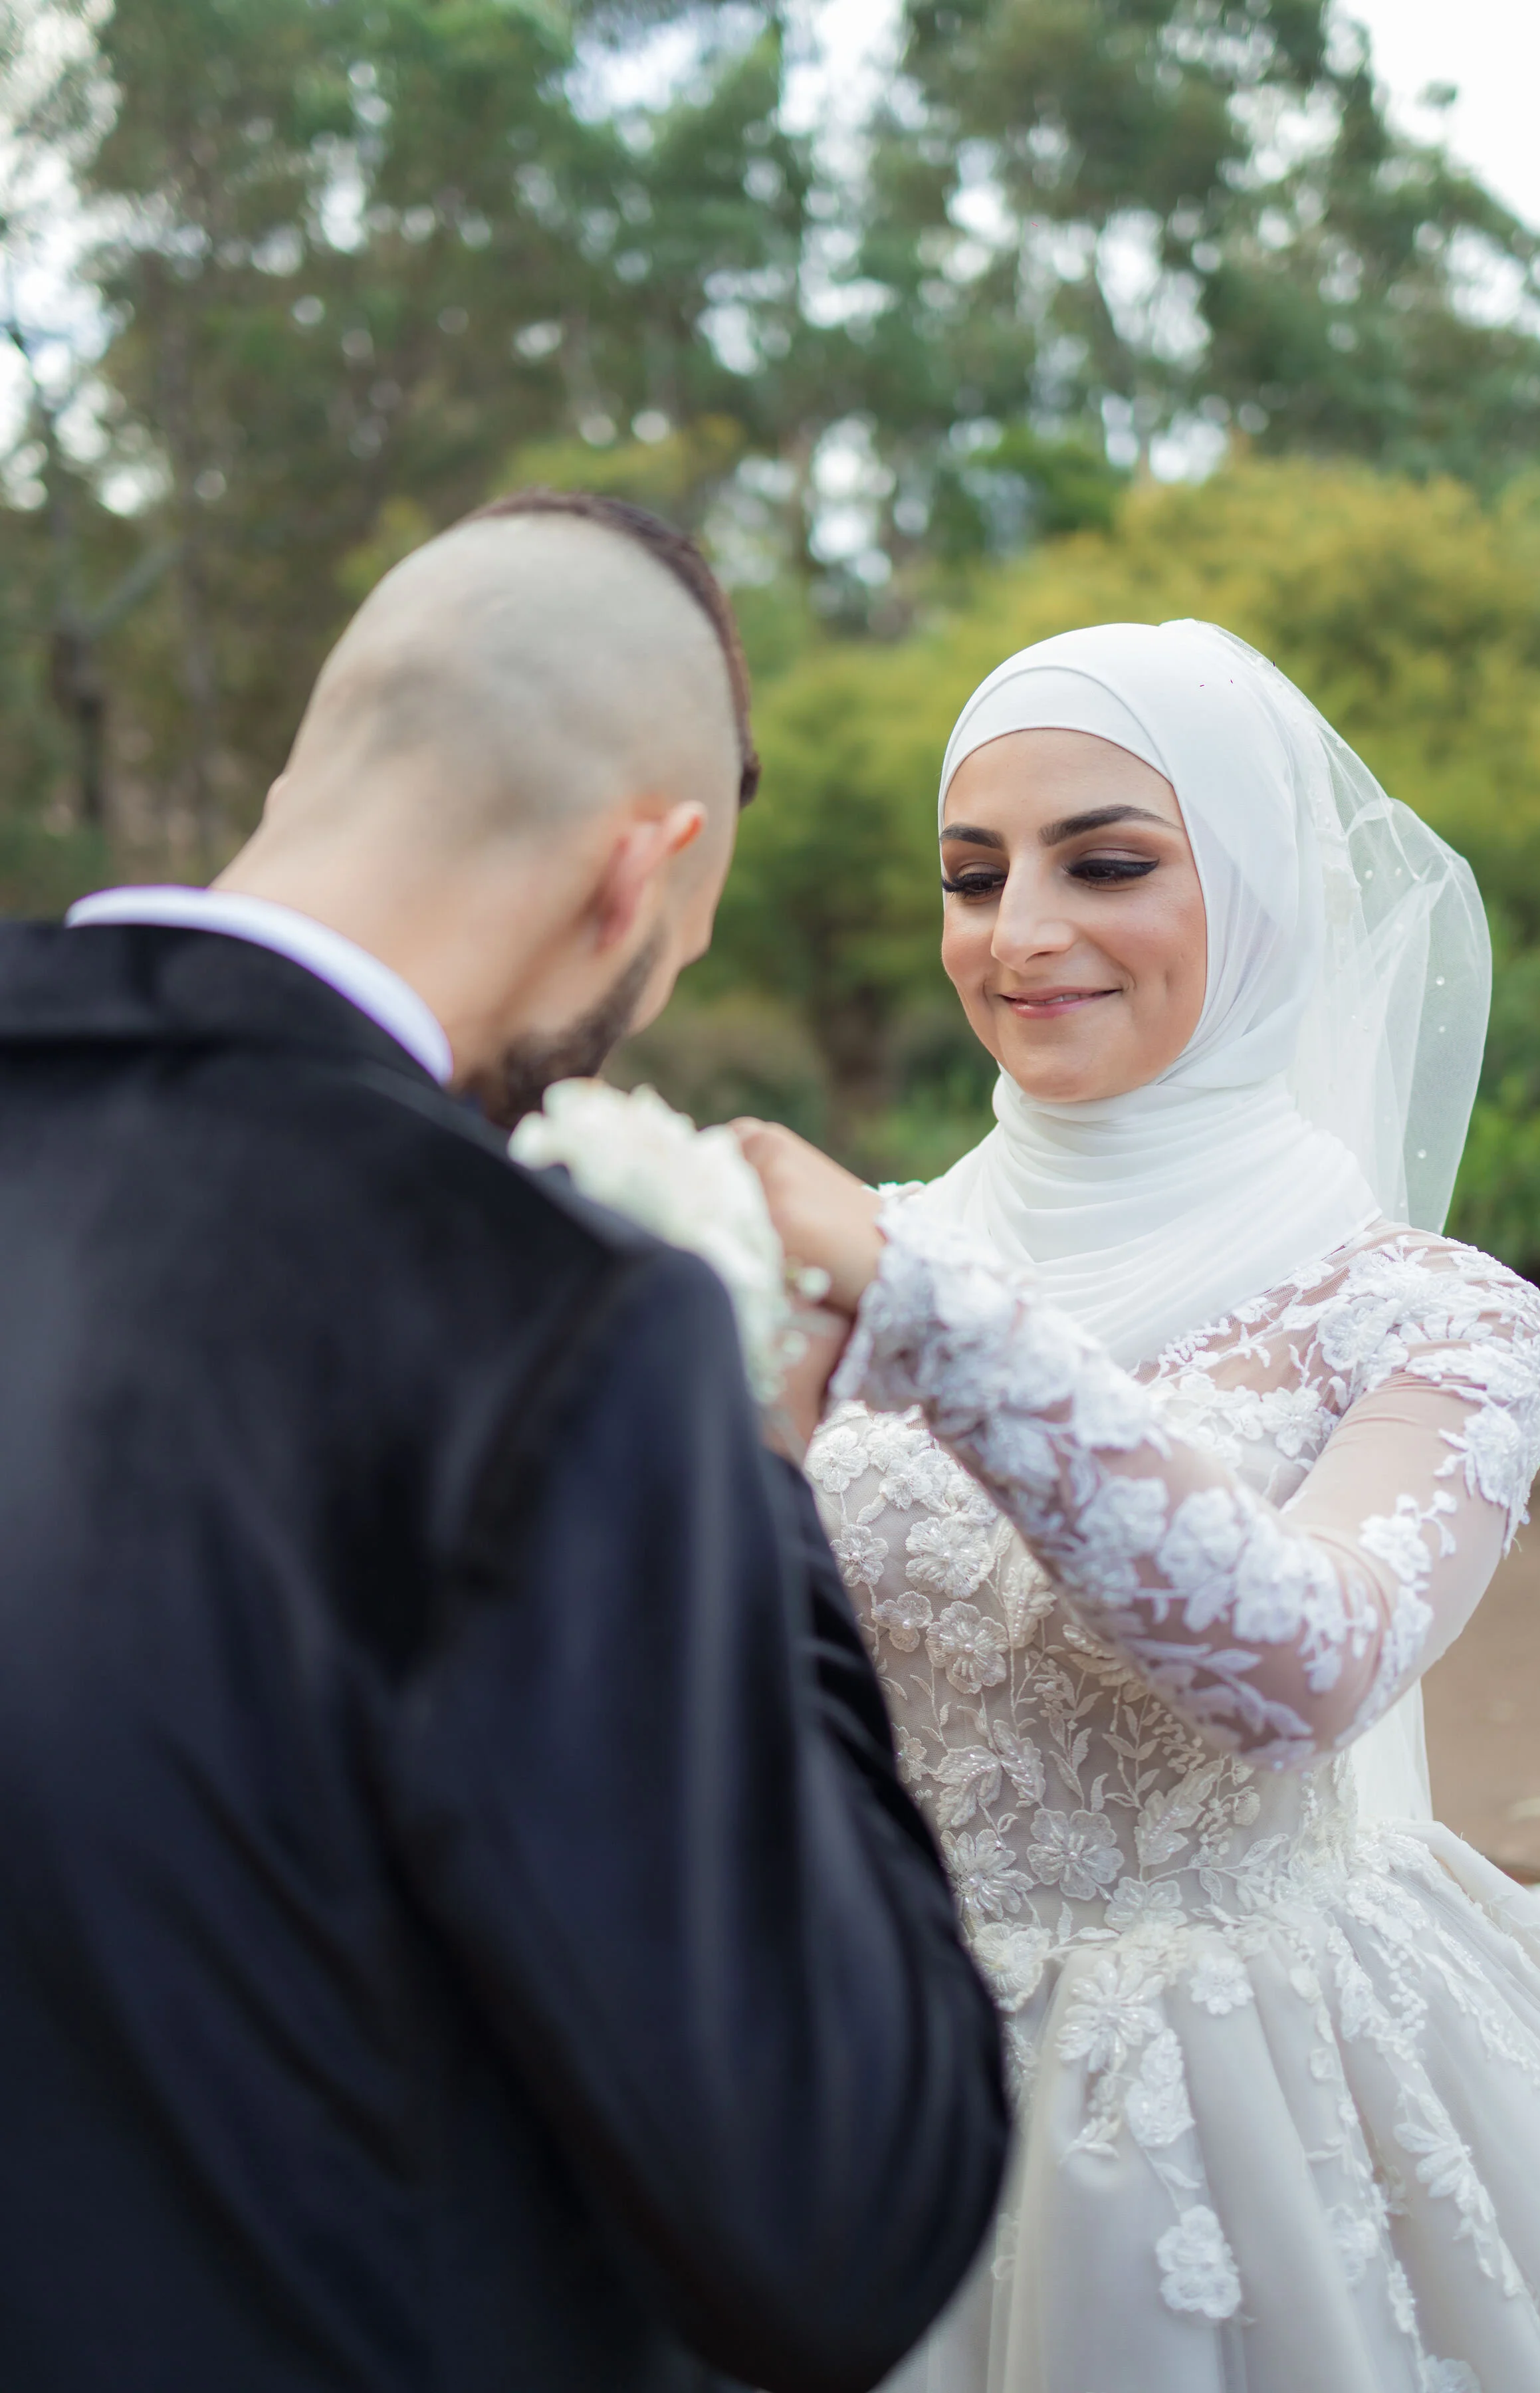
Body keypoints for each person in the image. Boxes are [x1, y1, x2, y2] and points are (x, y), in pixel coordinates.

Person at [0, 489, 1008, 2393]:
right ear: (639, 873)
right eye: (676, 952)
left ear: (311, 767)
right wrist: (754, 1475)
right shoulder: (544, 1322)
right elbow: (851, 2221)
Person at [738, 620, 1540, 2393]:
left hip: (1240, 2102)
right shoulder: (845, 1251)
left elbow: (1309, 1667)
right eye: (974, 877)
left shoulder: (1429, 1317)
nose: (1018, 933)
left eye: (1107, 863)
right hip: (843, 2055)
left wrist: (938, 1328)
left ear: (1262, 897)